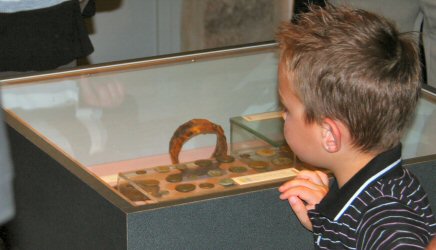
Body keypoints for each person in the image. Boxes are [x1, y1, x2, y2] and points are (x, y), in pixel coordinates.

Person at [277, 4, 436, 249]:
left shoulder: (385, 221)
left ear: (329, 135)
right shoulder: (376, 191)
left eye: (287, 109)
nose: (281, 115)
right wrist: (329, 221)